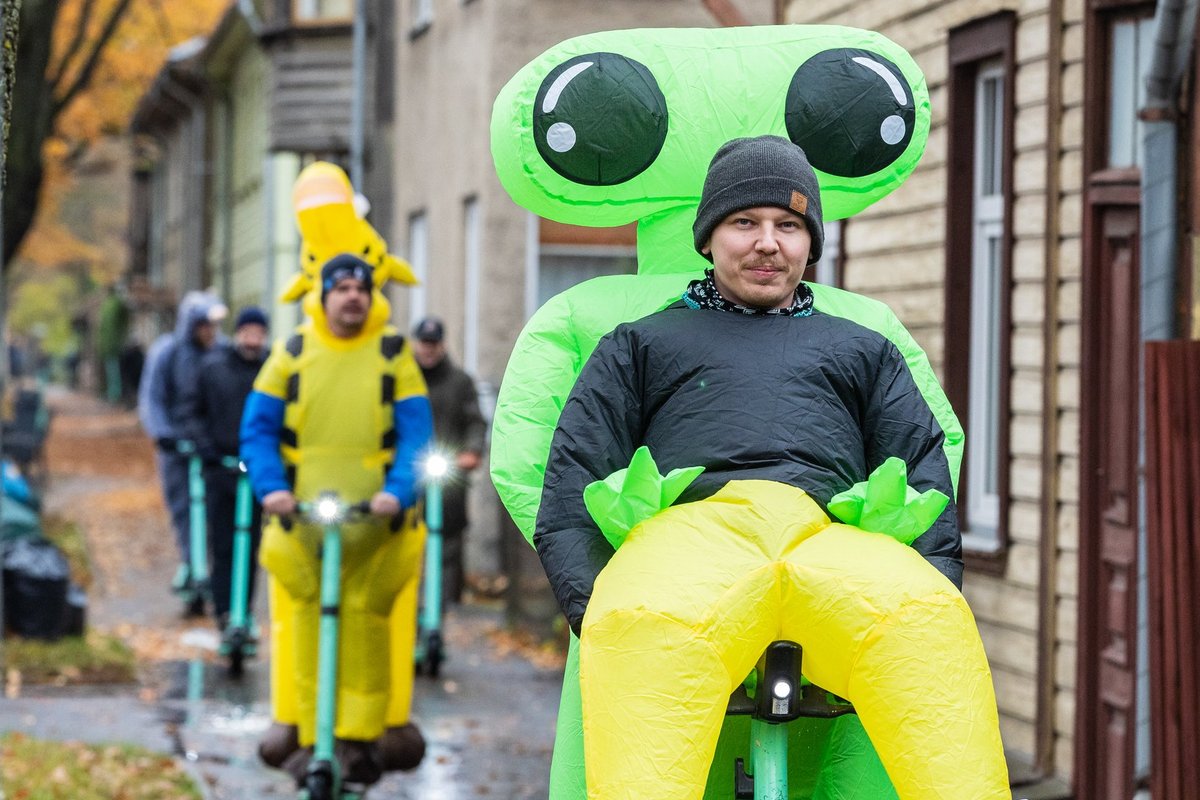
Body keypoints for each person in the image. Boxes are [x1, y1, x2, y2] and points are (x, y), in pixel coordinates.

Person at [534, 136, 1007, 799]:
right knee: (644, 630)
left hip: (832, 540)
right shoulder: (641, 345)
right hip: (690, 548)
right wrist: (597, 614)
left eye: (788, 225)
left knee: (929, 628)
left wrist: (932, 584)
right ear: (708, 238)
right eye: (744, 223)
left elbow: (922, 473)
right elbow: (573, 485)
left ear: (811, 242)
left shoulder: (862, 349)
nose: (767, 243)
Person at [240, 254, 432, 786]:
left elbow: (418, 434)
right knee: (304, 626)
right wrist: (272, 488)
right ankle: (306, 734)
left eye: (361, 288)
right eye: (342, 287)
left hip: (376, 531)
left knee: (366, 627)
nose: (353, 296)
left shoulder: (395, 354)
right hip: (301, 527)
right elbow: (257, 430)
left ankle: (361, 740)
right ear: (322, 295)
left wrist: (397, 492)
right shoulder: (291, 353)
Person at [179, 306, 270, 632]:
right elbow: (191, 410)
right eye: (248, 331)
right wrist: (207, 449)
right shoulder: (214, 368)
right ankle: (223, 612)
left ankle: (243, 611)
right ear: (238, 333)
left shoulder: (271, 371)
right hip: (221, 468)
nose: (253, 339)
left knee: (250, 544)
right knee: (223, 544)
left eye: (259, 332)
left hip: (255, 469)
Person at [137, 290, 227, 603]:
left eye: (213, 327)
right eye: (204, 325)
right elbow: (152, 397)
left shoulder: (221, 352)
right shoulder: (168, 352)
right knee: (184, 510)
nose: (210, 333)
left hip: (211, 449)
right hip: (176, 449)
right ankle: (191, 563)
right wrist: (162, 433)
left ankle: (214, 571)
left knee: (218, 512)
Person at [410, 316, 486, 604]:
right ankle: (412, 605)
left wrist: (472, 452)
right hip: (412, 473)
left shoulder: (460, 381)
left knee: (449, 540)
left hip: (449, 473)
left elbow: (475, 421)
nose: (428, 350)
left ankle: (442, 606)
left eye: (433, 344)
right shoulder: (406, 380)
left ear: (441, 345)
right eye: (424, 343)